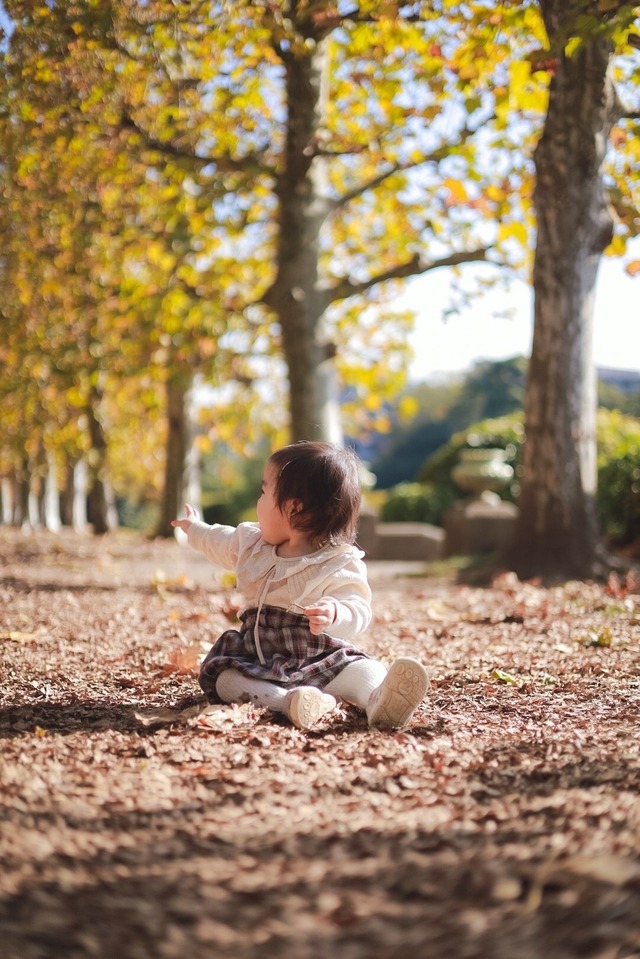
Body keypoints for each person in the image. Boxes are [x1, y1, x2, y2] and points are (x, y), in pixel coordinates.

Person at [172, 441, 429, 730]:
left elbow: (358, 608)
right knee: (225, 679)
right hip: (260, 658)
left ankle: (377, 699)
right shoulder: (252, 544)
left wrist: (335, 612)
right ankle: (292, 702)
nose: (259, 501)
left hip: (321, 658)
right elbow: (219, 540)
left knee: (363, 669)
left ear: (293, 507)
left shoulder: (336, 561)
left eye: (264, 491)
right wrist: (195, 529)